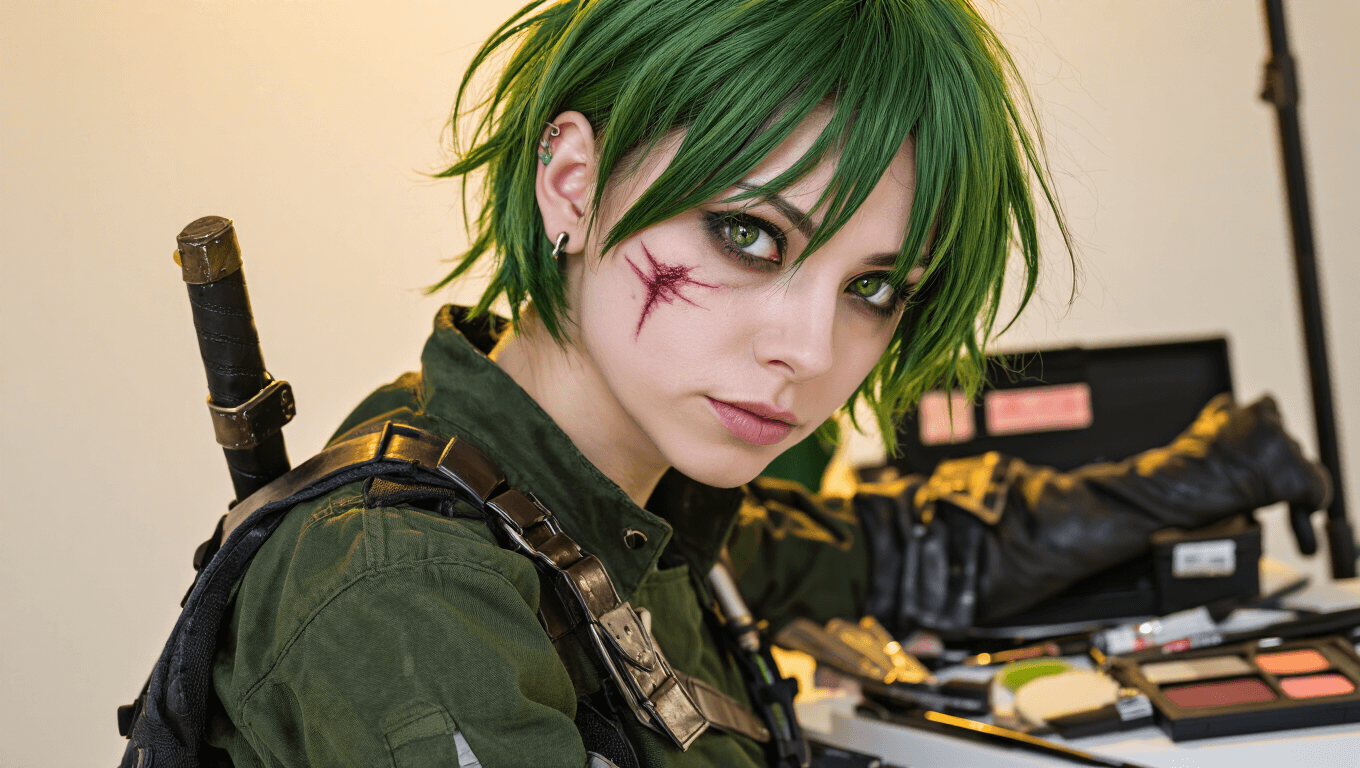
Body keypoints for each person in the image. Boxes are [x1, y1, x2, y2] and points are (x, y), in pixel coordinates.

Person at [192, 1, 1329, 766]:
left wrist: (1199, 477)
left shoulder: (628, 506)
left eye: (875, 286)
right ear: (573, 184)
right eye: (747, 234)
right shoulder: (410, 594)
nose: (809, 348)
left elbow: (900, 554)